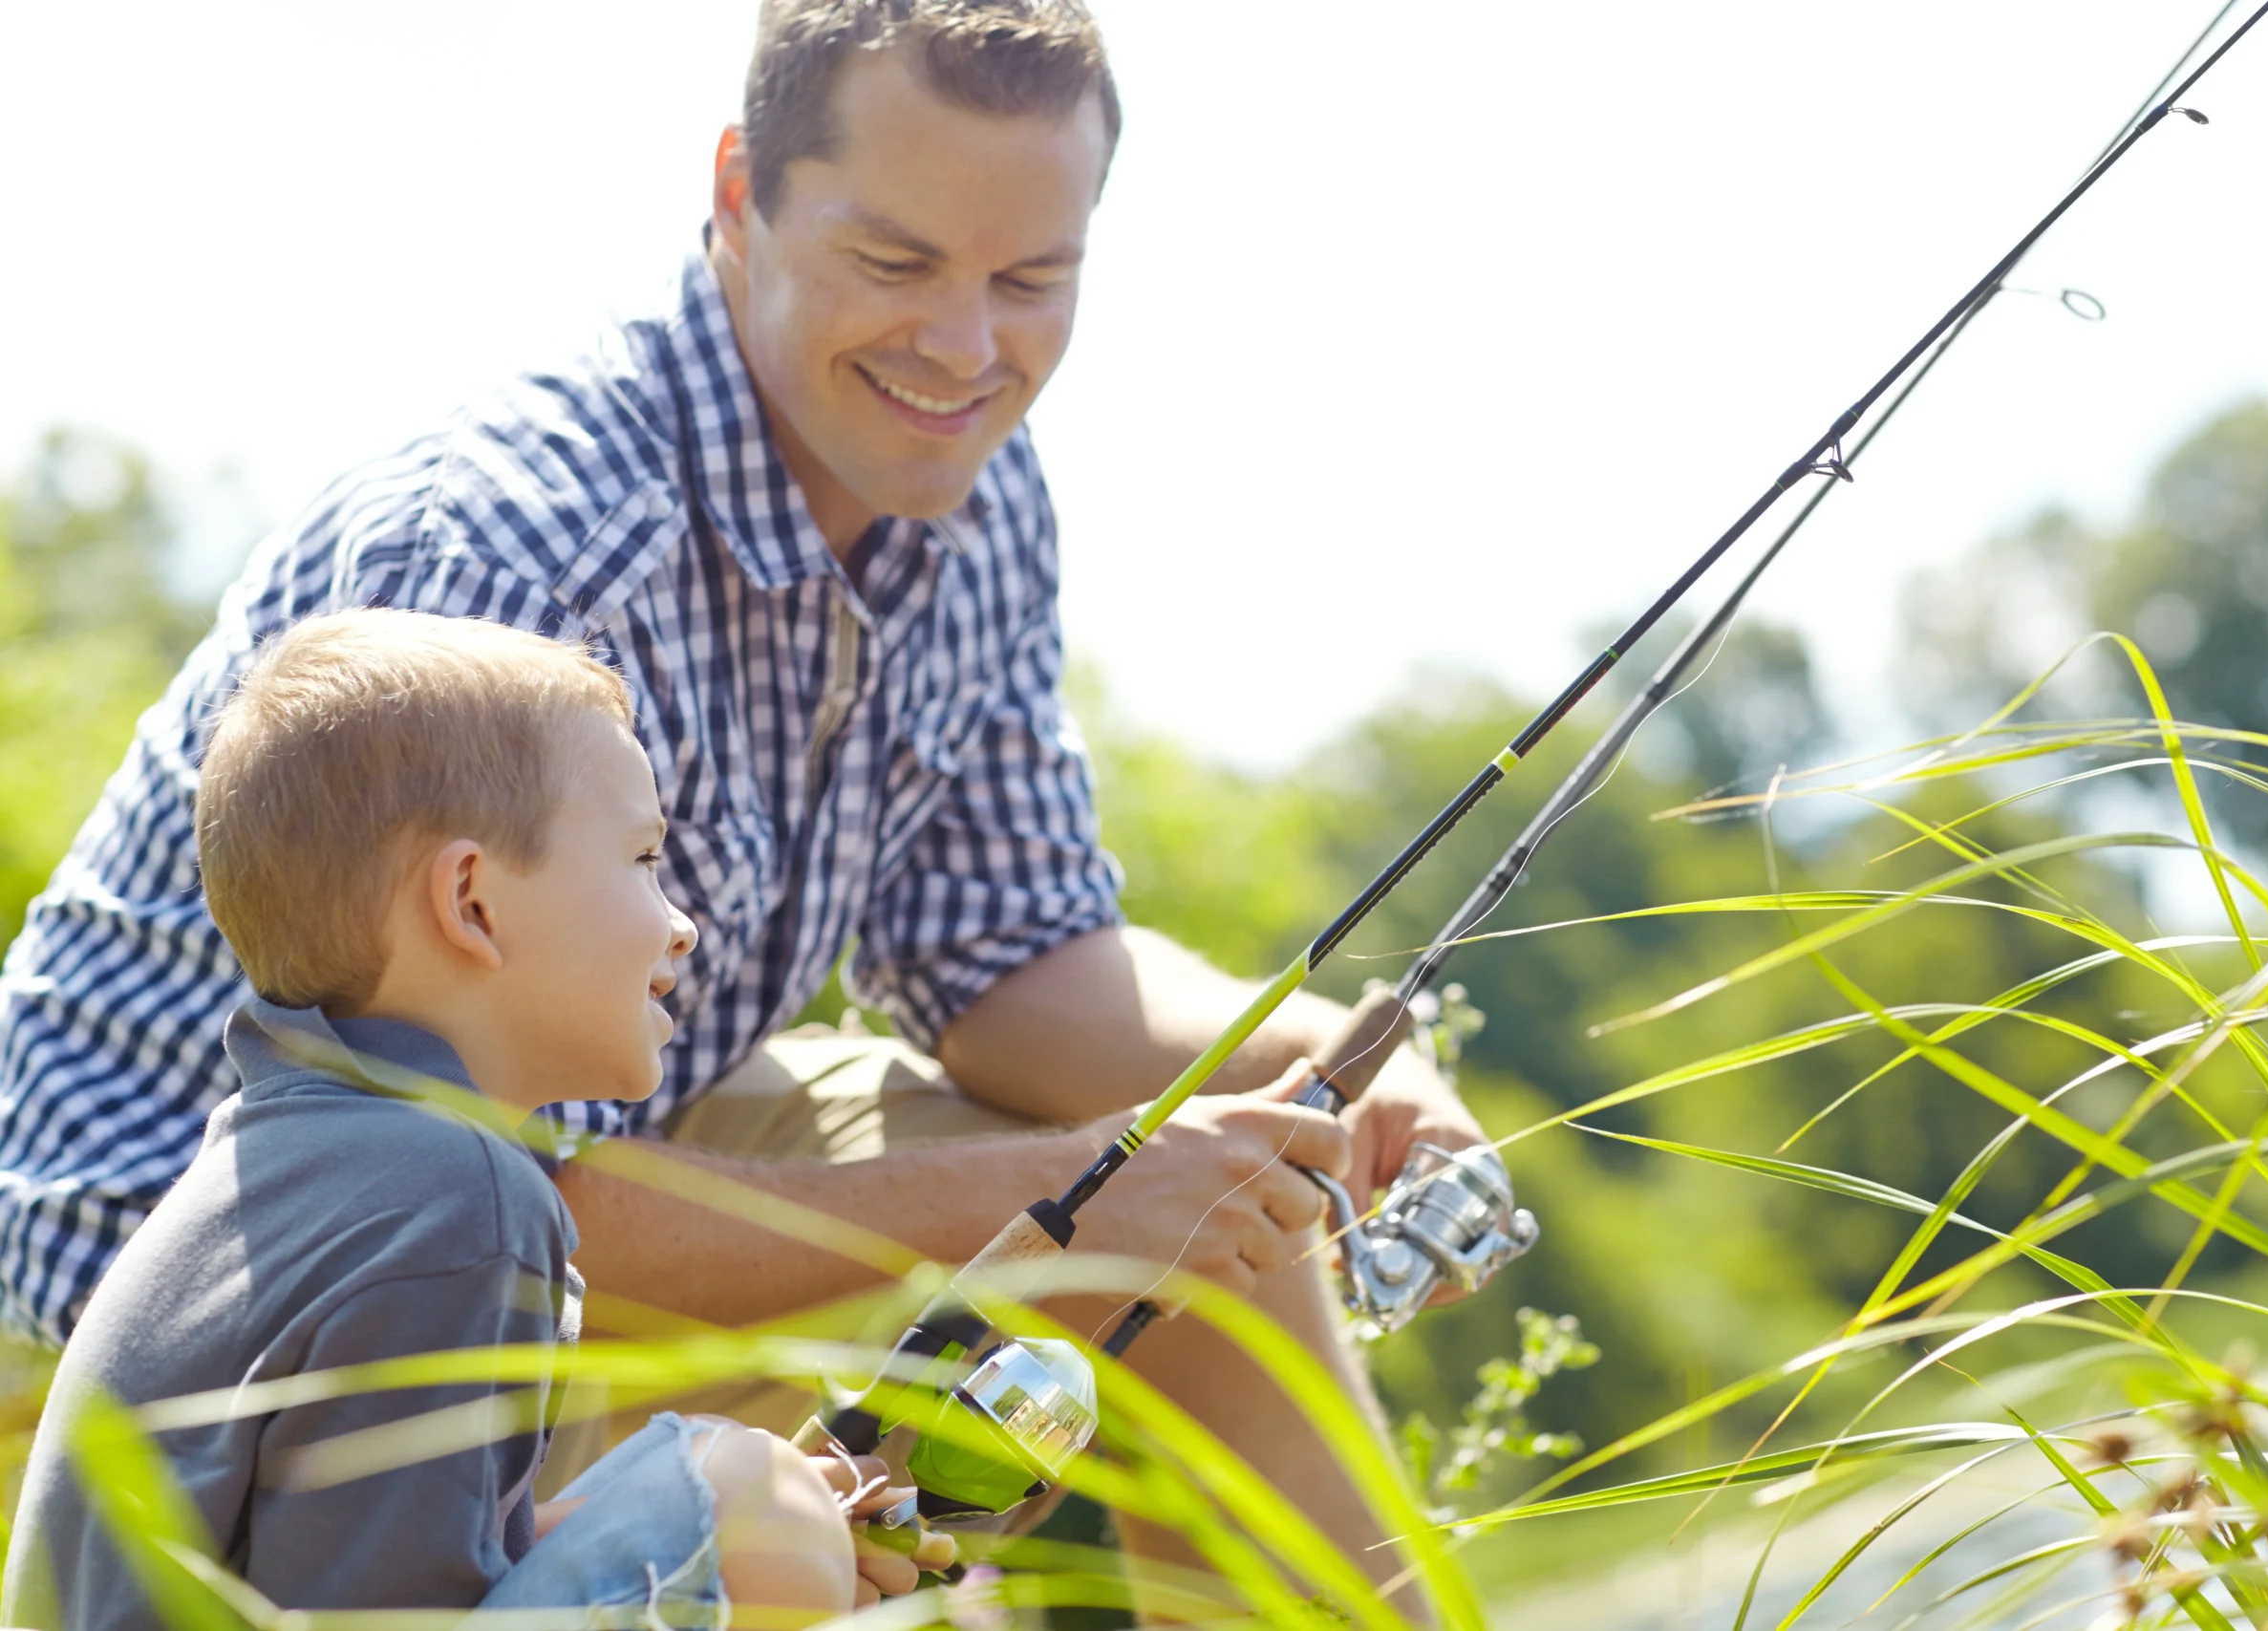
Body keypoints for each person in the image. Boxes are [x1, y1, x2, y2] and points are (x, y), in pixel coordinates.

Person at [0, 0, 1485, 1602]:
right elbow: (482, 1189)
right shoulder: (526, 554)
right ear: (738, 193)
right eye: (898, 264)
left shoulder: (971, 494)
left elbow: (1010, 955)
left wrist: (1312, 1079)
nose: (967, 348)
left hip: (539, 1209)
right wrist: (1090, 1192)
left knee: (1226, 1218)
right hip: (229, 1349)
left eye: (1032, 280)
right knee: (1073, 1252)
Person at [5, 610, 954, 1627]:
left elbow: (353, 1572)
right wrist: (741, 1531)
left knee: (758, 1510)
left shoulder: (303, 1151)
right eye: (641, 859)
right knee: (751, 1497)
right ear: (472, 903)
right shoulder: (462, 1193)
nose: (682, 922)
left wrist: (676, 1538)